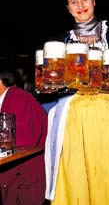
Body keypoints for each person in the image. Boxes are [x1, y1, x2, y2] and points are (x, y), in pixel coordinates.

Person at [44, 0, 109, 204]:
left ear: (94, 2)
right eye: (73, 2)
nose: (80, 5)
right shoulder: (59, 42)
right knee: (77, 176)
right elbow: (52, 85)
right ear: (68, 8)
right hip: (74, 114)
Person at [0, 62, 48, 205]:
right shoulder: (6, 99)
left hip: (25, 181)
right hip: (12, 179)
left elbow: (25, 139)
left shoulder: (20, 99)